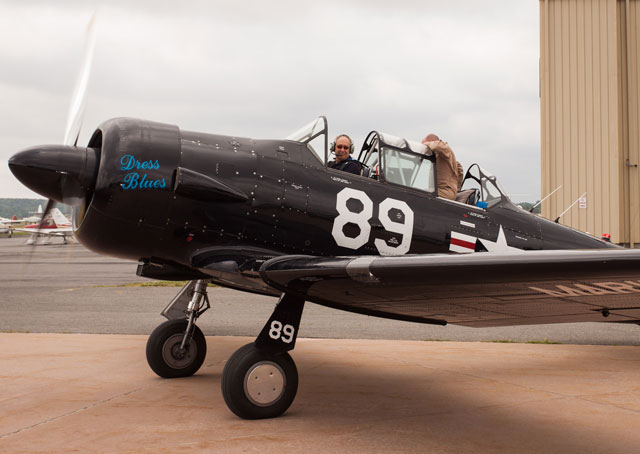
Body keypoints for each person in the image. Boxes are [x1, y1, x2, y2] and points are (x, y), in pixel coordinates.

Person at [422, 133, 463, 200]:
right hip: (441, 191)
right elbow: (459, 168)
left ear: (434, 141)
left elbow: (436, 146)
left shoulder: (444, 147)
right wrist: (457, 189)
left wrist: (425, 144)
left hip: (445, 191)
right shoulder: (441, 156)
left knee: (418, 194)